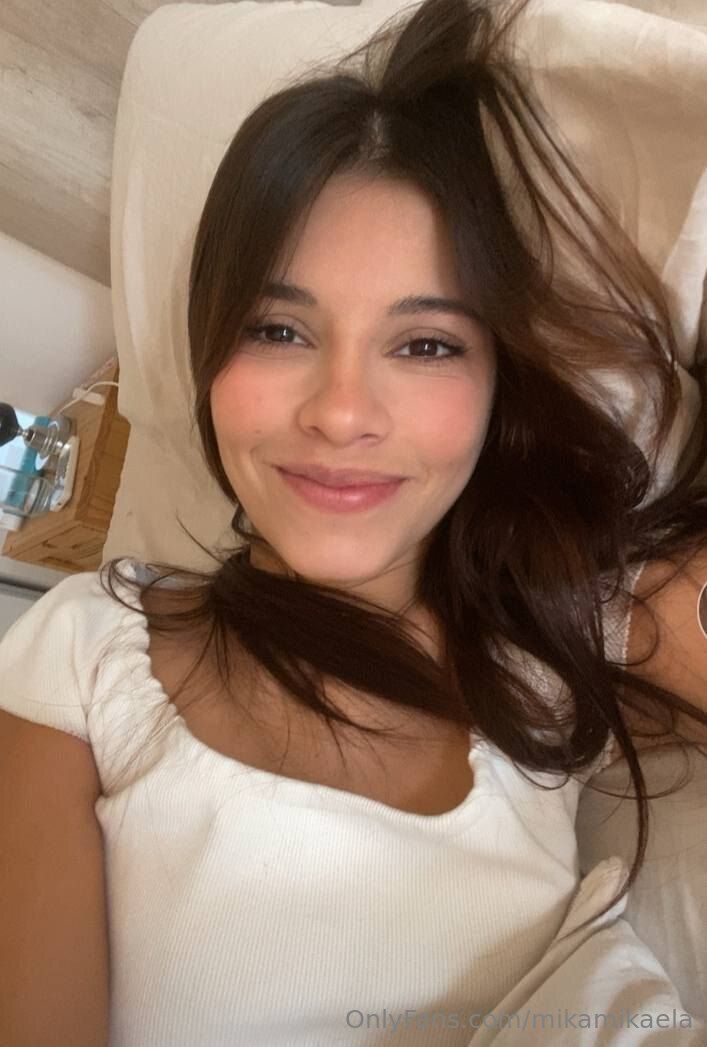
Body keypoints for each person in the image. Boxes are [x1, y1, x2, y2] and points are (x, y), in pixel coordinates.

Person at [1, 0, 706, 1043]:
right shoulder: (83, 656)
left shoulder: (561, 640)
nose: (339, 412)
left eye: (424, 345)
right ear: (208, 353)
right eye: (278, 329)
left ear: (496, 384)